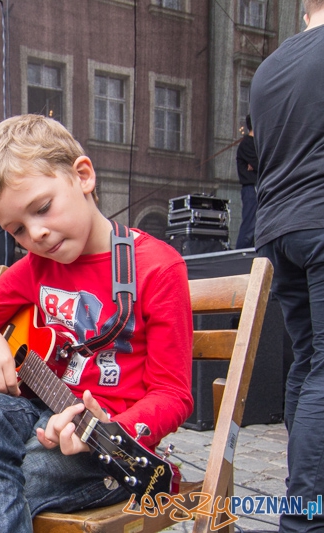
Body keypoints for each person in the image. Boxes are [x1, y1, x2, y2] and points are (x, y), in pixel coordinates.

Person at [0, 114, 194, 532]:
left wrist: (113, 428)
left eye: (43, 208)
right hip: (34, 412)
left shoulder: (157, 268)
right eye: (17, 230)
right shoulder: (34, 269)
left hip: (105, 445)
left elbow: (172, 394)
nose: (37, 235)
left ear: (82, 175)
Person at [249, 2, 324, 531]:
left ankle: (304, 502)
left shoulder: (268, 68)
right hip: (320, 216)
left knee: (306, 362)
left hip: (278, 229)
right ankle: (306, 516)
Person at [235, 115, 257, 249]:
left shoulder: (255, 144)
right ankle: (241, 253)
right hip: (251, 188)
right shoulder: (248, 143)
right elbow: (264, 163)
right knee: (250, 225)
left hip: (255, 187)